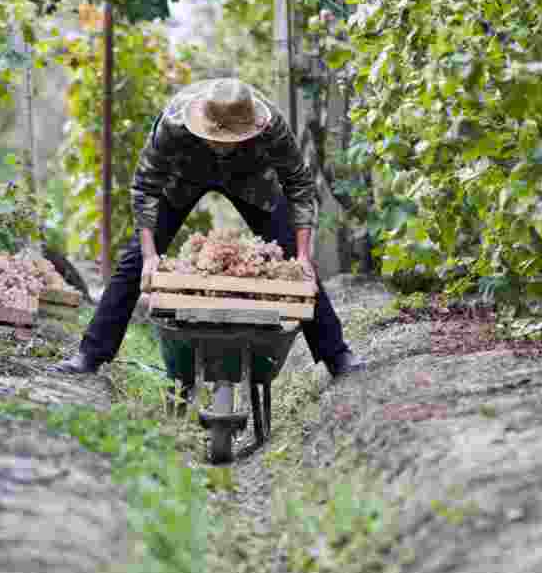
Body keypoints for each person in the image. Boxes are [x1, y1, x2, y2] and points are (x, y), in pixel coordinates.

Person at [53, 77, 365, 378]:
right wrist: (150, 255)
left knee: (299, 267)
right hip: (185, 179)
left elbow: (299, 186)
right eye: (216, 138)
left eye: (231, 139)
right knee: (135, 262)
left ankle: (337, 356)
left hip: (251, 180)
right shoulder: (175, 122)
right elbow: (146, 187)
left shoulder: (271, 127)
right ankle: (90, 355)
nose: (222, 146)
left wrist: (302, 254)